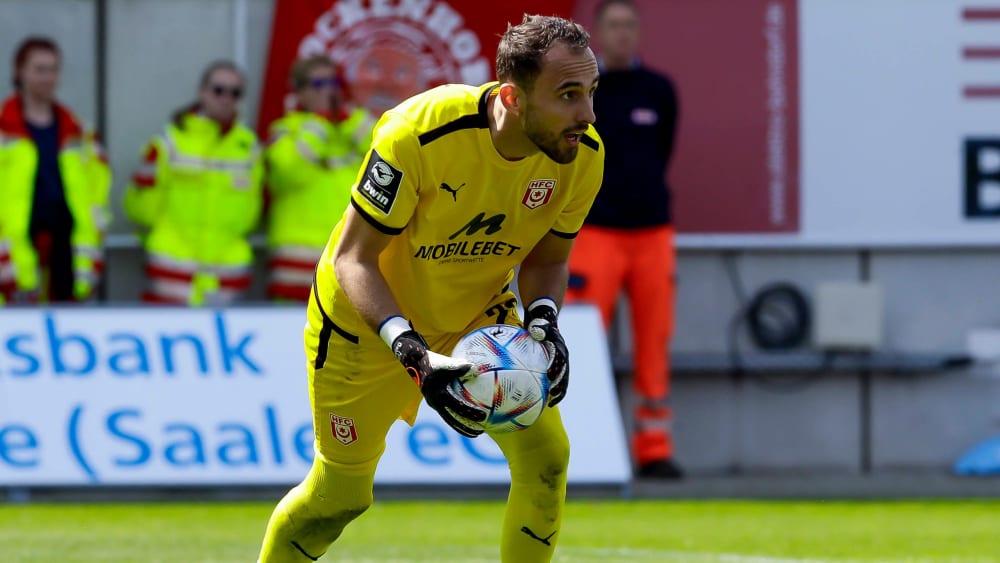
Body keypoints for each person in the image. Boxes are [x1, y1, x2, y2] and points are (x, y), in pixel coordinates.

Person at [258, 14, 603, 563]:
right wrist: (412, 351)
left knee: (547, 457)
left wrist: (544, 322)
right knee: (340, 498)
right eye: (567, 95)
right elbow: (353, 259)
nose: (586, 114)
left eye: (590, 92)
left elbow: (548, 259)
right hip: (365, 328)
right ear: (512, 98)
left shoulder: (581, 154)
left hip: (475, 315)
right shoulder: (417, 131)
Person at [565, 0, 683, 479]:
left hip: (653, 233)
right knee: (577, 338)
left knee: (654, 342)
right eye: (613, 26)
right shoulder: (581, 93)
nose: (622, 35)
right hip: (595, 233)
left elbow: (665, 150)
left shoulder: (659, 91)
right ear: (596, 32)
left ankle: (653, 449)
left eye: (629, 25)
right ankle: (572, 445)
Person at [123, 60, 263, 305]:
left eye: (235, 93)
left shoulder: (249, 148)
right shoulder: (171, 142)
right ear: (202, 92)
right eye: (218, 90)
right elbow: (139, 204)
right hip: (173, 271)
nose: (226, 98)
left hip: (226, 274)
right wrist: (161, 235)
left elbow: (253, 209)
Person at [0, 36, 112, 304]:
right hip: (14, 255)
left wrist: (94, 239)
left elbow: (98, 190)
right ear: (20, 72)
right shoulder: (4, 125)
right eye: (40, 69)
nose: (48, 77)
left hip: (67, 252)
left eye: (53, 69)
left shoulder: (79, 130)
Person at [265, 54, 374, 301]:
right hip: (296, 263)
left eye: (332, 83)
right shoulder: (285, 130)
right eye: (318, 84)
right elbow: (287, 173)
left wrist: (350, 122)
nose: (328, 91)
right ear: (301, 93)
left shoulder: (353, 126)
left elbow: (389, 152)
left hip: (345, 260)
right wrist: (319, 125)